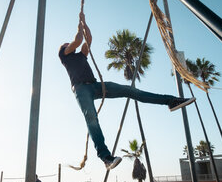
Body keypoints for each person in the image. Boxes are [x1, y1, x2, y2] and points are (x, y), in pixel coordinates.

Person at [59, 13, 196, 170]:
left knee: (129, 91)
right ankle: (106, 158)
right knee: (91, 118)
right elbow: (78, 40)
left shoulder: (81, 55)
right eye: (65, 44)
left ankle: (170, 101)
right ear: (63, 49)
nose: (68, 43)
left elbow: (87, 39)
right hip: (81, 89)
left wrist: (84, 22)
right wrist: (79, 25)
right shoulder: (64, 55)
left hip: (96, 85)